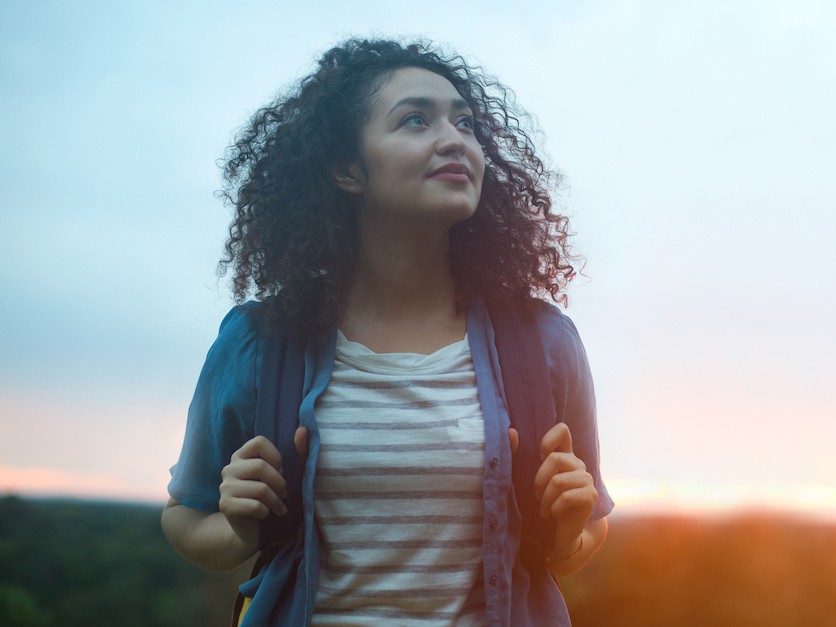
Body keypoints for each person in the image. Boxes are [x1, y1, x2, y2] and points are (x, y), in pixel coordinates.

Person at [161, 38, 613, 626]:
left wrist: (568, 530)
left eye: (467, 123)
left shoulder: (544, 342)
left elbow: (579, 539)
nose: (456, 139)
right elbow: (184, 517)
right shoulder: (260, 341)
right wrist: (237, 529)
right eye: (416, 120)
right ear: (348, 169)